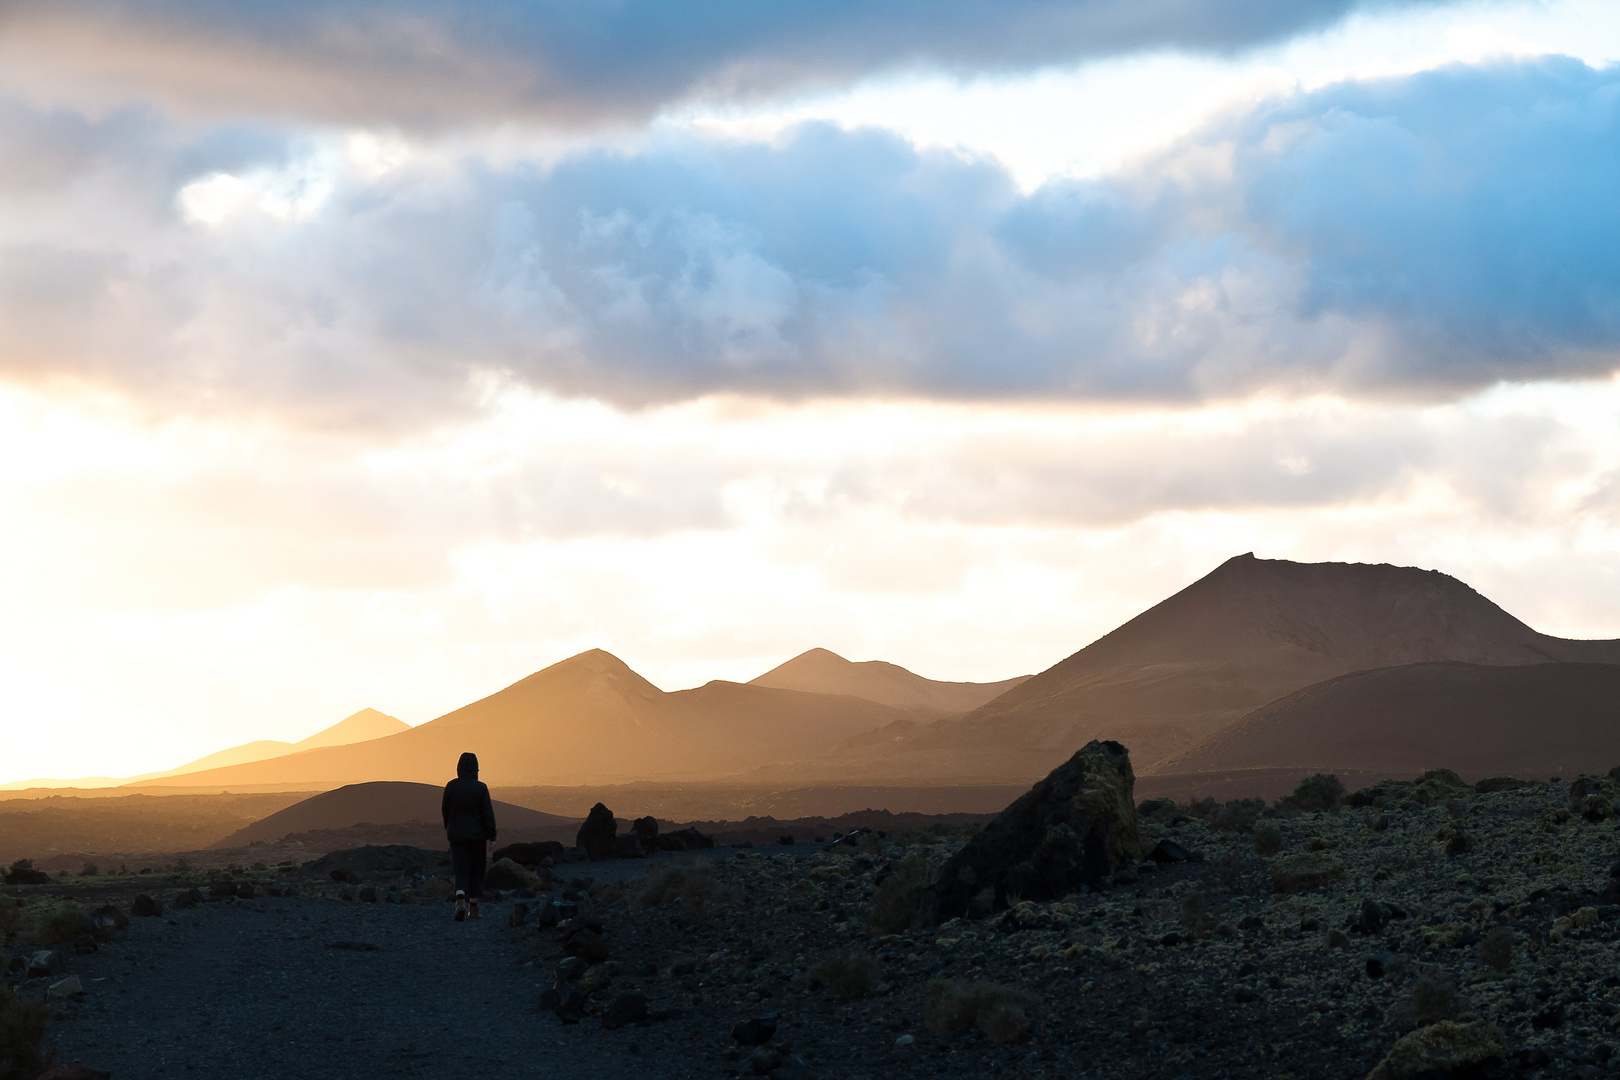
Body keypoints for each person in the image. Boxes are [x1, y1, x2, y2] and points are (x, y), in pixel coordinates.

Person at [441, 751, 497, 921]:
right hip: (477, 836)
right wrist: (491, 836)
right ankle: (473, 907)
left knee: (460, 867)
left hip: (457, 835)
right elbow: (488, 814)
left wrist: (449, 827)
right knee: (477, 869)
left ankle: (459, 899)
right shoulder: (480, 788)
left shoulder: (451, 786)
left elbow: (445, 810)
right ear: (476, 768)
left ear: (458, 768)